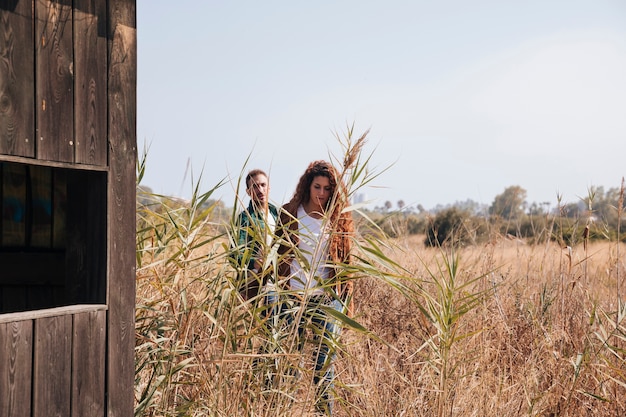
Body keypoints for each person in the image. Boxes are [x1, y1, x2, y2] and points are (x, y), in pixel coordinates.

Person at [274, 160, 354, 416]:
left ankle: (324, 413)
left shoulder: (338, 219)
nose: (321, 194)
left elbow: (346, 263)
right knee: (289, 364)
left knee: (323, 368)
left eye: (327, 189)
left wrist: (346, 302)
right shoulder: (290, 212)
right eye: (317, 187)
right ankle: (284, 410)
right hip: (293, 297)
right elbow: (278, 254)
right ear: (307, 186)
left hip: (326, 301)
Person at [233, 169, 278, 300]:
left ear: (269, 188)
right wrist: (254, 263)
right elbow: (234, 254)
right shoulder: (245, 218)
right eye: (254, 186)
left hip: (276, 281)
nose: (260, 190)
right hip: (254, 283)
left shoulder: (277, 213)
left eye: (263, 185)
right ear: (248, 192)